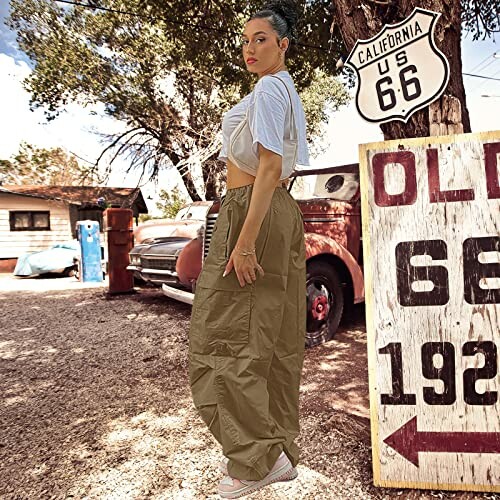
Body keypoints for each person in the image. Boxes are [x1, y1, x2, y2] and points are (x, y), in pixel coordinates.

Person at [188, 1, 309, 497]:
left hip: (252, 209)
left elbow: (269, 164)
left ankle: (252, 462)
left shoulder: (268, 88)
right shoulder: (286, 92)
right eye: (245, 41)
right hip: (280, 213)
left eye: (261, 39)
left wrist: (241, 241)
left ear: (283, 45)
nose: (250, 49)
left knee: (220, 340)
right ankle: (274, 452)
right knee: (275, 340)